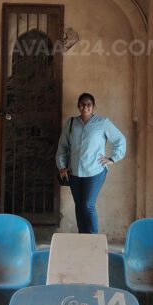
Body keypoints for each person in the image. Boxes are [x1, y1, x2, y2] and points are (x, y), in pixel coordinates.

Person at [55, 92, 126, 234]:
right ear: (78, 106)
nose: (85, 107)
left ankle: (94, 238)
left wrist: (111, 158)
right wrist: (62, 166)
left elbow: (120, 140)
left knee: (88, 204)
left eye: (88, 104)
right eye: (82, 104)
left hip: (95, 171)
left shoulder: (103, 123)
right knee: (79, 205)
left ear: (93, 107)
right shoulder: (71, 123)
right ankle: (83, 237)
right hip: (74, 171)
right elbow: (62, 146)